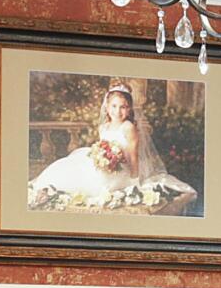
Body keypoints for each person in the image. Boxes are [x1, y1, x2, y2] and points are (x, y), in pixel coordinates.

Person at [26, 83, 198, 212]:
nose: (118, 111)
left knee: (90, 183)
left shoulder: (128, 127)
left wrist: (134, 180)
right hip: (104, 164)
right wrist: (99, 156)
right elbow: (103, 146)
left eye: (123, 107)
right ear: (107, 108)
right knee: (67, 166)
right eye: (114, 106)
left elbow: (132, 155)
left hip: (121, 169)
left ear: (129, 109)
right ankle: (46, 188)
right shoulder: (104, 127)